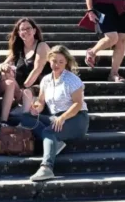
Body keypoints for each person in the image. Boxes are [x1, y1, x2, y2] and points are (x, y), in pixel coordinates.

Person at [18, 46, 89, 182]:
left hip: (76, 118)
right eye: (54, 61)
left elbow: (78, 104)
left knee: (49, 132)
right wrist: (36, 108)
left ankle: (47, 167)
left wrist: (63, 118)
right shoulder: (46, 80)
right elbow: (41, 102)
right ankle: (57, 142)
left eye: (60, 62)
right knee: (26, 119)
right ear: (49, 60)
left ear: (66, 62)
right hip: (56, 117)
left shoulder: (72, 79)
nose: (56, 65)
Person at [0, 18, 50, 128]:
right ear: (19, 33)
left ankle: (25, 122)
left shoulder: (41, 46)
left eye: (28, 28)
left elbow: (37, 70)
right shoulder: (18, 49)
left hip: (40, 89)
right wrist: (4, 67)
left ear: (34, 31)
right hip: (22, 90)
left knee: (26, 92)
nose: (25, 31)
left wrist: (24, 87)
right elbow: (1, 65)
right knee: (9, 79)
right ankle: (3, 122)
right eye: (22, 29)